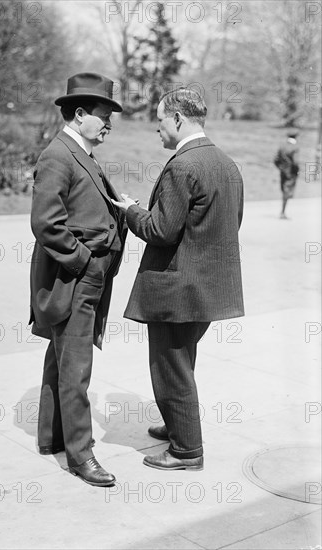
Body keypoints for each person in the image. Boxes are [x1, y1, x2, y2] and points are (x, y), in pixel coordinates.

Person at [112, 87, 244, 471]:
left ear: (177, 119)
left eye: (159, 122)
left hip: (178, 290)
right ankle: (176, 426)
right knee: (182, 361)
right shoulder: (226, 163)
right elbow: (230, 223)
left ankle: (186, 450)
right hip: (208, 290)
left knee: (171, 367)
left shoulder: (182, 166)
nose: (158, 131)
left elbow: (161, 230)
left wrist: (131, 210)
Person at [29, 73, 127, 487]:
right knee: (76, 368)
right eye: (104, 116)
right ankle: (81, 455)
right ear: (81, 113)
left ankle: (51, 437)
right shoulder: (58, 155)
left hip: (81, 276)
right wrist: (85, 261)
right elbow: (46, 224)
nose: (109, 124)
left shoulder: (78, 151)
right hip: (75, 277)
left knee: (61, 358)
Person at [274, 129, 300, 219]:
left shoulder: (282, 146)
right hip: (291, 172)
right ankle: (283, 212)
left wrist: (280, 168)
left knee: (284, 190)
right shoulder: (295, 147)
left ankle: (283, 211)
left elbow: (276, 159)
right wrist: (297, 170)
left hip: (283, 171)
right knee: (287, 192)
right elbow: (296, 162)